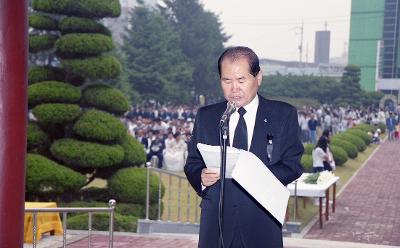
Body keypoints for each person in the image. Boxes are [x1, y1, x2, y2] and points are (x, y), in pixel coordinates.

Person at [184, 46, 304, 248]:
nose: (234, 89)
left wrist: (253, 175)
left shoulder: (282, 114)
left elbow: (292, 165)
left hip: (262, 222)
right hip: (216, 223)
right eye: (226, 81)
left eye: (241, 80)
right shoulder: (207, 116)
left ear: (258, 77)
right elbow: (192, 164)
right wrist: (201, 177)